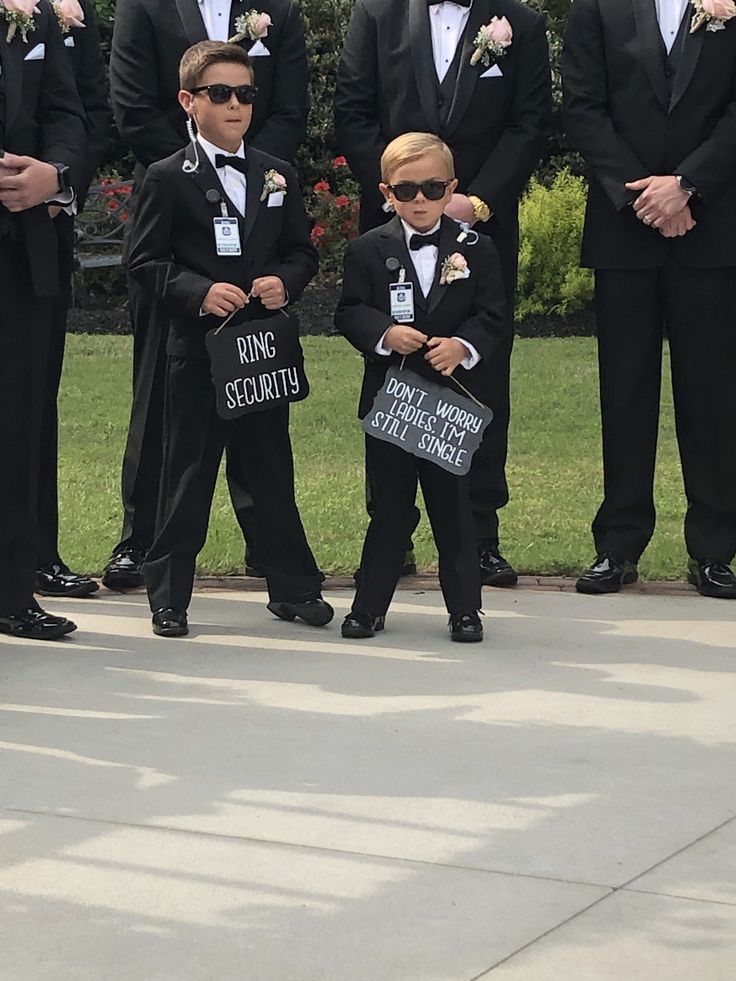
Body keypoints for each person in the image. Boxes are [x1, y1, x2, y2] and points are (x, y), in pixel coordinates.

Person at [334, 0, 552, 588]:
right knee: (392, 376)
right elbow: (353, 112)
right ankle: (391, 535)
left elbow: (530, 121)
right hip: (392, 234)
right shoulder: (375, 17)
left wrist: (472, 202)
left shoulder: (522, 24)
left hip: (481, 232)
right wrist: (406, 201)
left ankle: (479, 536)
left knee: (478, 377)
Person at [127, 40, 332, 637]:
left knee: (268, 468)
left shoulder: (277, 173)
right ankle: (168, 594)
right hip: (194, 352)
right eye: (220, 94)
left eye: (245, 94)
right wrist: (197, 291)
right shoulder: (168, 178)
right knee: (187, 474)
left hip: (260, 351)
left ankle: (292, 587)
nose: (236, 105)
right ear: (189, 101)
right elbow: (143, 261)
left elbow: (302, 251)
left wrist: (285, 282)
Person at [563, 0, 736, 599]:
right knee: (626, 392)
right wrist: (645, 196)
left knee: (712, 395)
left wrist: (688, 186)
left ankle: (714, 549)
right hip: (624, 229)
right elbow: (583, 107)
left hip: (711, 228)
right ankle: (618, 544)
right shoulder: (596, 9)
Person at [335, 132, 507, 642]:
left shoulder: (478, 248)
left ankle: (464, 609)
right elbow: (349, 311)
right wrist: (385, 334)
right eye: (406, 190)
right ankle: (369, 607)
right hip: (393, 402)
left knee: (453, 509)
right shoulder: (367, 249)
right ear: (385, 192)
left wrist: (463, 346)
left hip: (450, 406)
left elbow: (495, 315)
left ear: (451, 187)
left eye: (433, 189)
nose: (420, 201)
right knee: (389, 508)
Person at [0, 0, 86, 639]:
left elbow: (67, 112)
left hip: (25, 254)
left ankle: (10, 592)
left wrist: (54, 175)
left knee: (20, 421)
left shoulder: (35, 20)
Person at [34, 0, 112, 599]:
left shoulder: (64, 13)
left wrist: (58, 177)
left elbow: (89, 112)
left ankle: (35, 556)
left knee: (33, 403)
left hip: (36, 234)